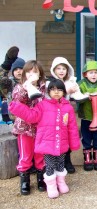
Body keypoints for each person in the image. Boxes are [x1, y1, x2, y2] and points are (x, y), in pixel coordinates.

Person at [9, 79, 81, 199]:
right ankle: (51, 186)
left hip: (62, 144)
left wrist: (74, 144)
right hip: (47, 144)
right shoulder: (42, 105)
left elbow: (72, 127)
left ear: (64, 92)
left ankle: (61, 182)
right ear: (48, 92)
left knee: (60, 164)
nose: (56, 92)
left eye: (59, 90)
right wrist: (15, 107)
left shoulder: (68, 107)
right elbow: (31, 116)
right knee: (49, 165)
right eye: (53, 90)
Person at [10, 60, 46, 195]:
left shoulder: (43, 88)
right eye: (29, 72)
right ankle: (25, 181)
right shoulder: (20, 87)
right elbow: (17, 101)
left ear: (40, 74)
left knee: (40, 154)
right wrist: (27, 87)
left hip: (40, 127)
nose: (32, 74)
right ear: (24, 74)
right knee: (25, 155)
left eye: (35, 72)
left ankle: (41, 178)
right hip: (24, 128)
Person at [48, 56, 89, 174]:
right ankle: (54, 162)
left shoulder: (70, 81)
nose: (61, 71)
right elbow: (53, 97)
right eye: (58, 68)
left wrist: (75, 92)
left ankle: (67, 161)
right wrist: (68, 91)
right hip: (53, 116)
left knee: (67, 137)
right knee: (55, 138)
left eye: (64, 69)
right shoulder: (50, 83)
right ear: (54, 70)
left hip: (65, 115)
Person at [78, 60, 97, 171]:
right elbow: (77, 98)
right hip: (86, 117)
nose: (93, 75)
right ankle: (87, 158)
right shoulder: (81, 84)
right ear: (85, 74)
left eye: (95, 72)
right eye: (90, 73)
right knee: (86, 138)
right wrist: (83, 96)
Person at [0, 46, 20, 123]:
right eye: (16, 69)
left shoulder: (29, 82)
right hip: (14, 116)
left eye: (21, 69)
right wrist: (6, 65)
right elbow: (2, 79)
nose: (19, 71)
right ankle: (7, 63)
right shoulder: (10, 83)